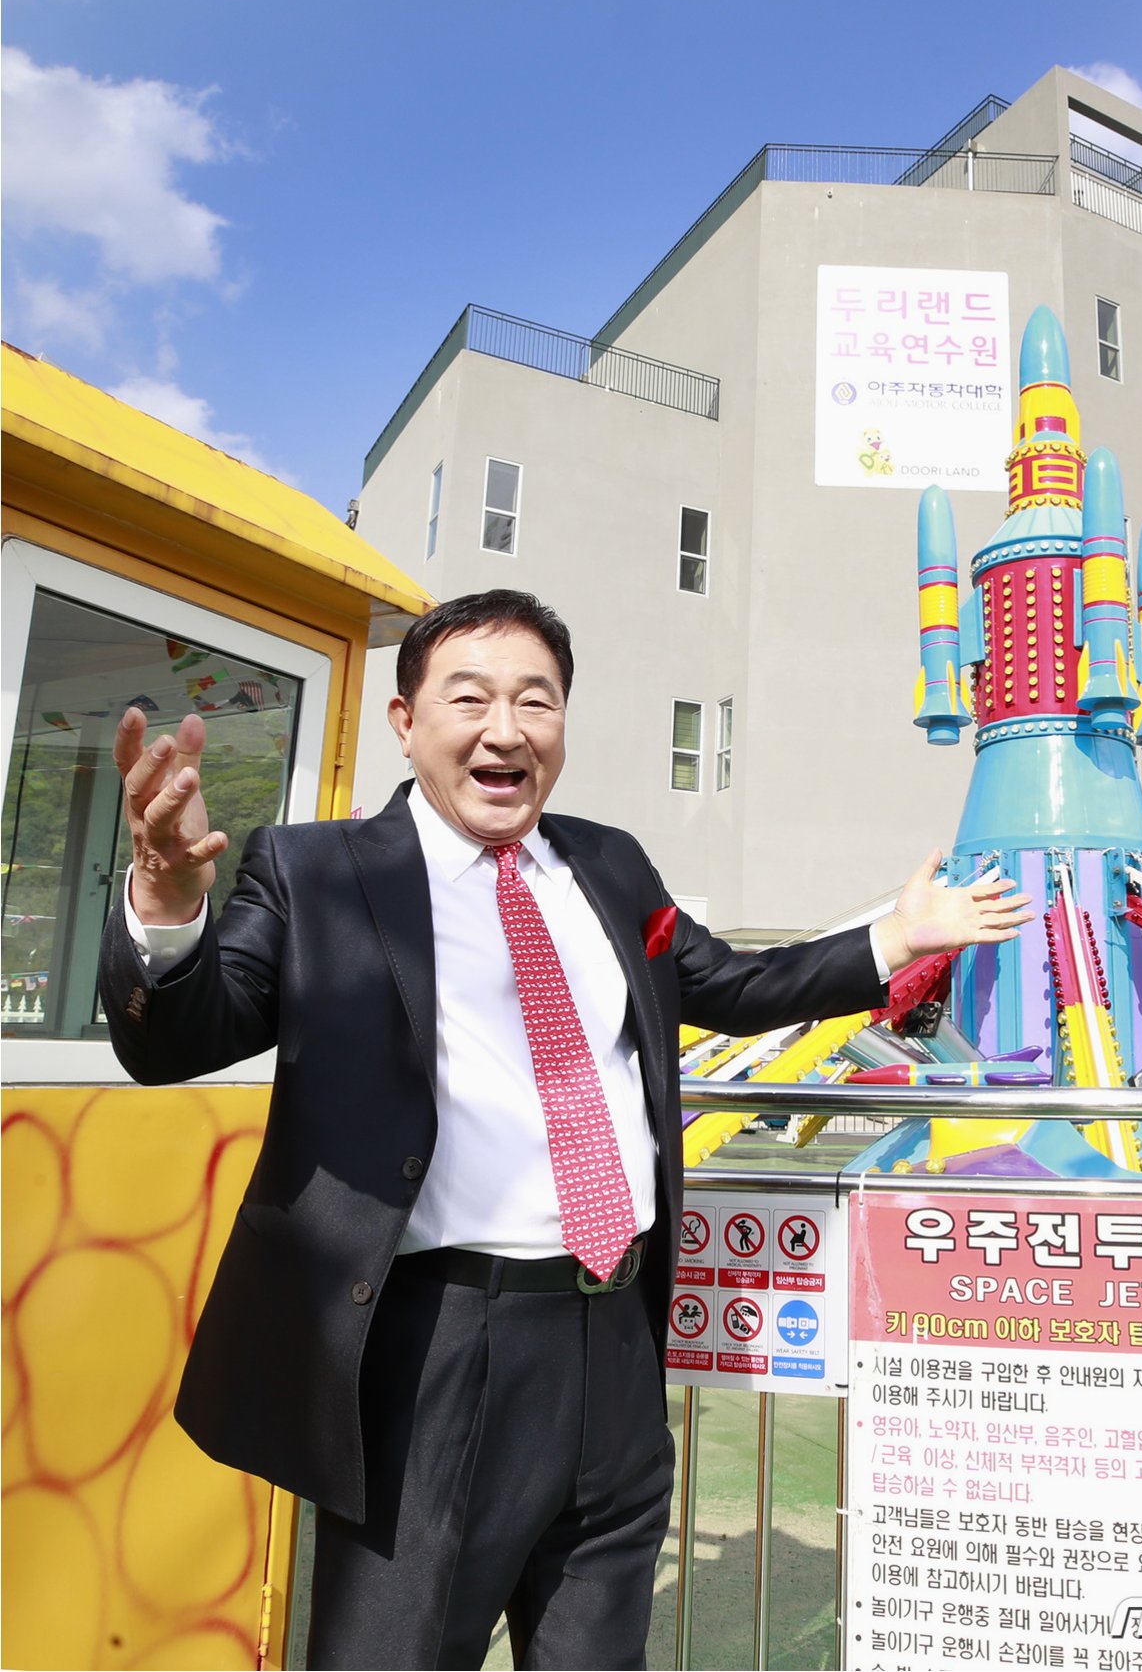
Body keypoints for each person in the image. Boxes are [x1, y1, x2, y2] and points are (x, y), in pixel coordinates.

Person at [100, 588, 1031, 1671]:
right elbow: (178, 1037)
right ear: (405, 721)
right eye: (470, 698)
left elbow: (728, 984)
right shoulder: (317, 871)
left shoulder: (608, 864)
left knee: (596, 1647)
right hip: (437, 1340)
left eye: (535, 701)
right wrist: (167, 903)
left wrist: (894, 938)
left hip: (614, 1335)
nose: (506, 729)